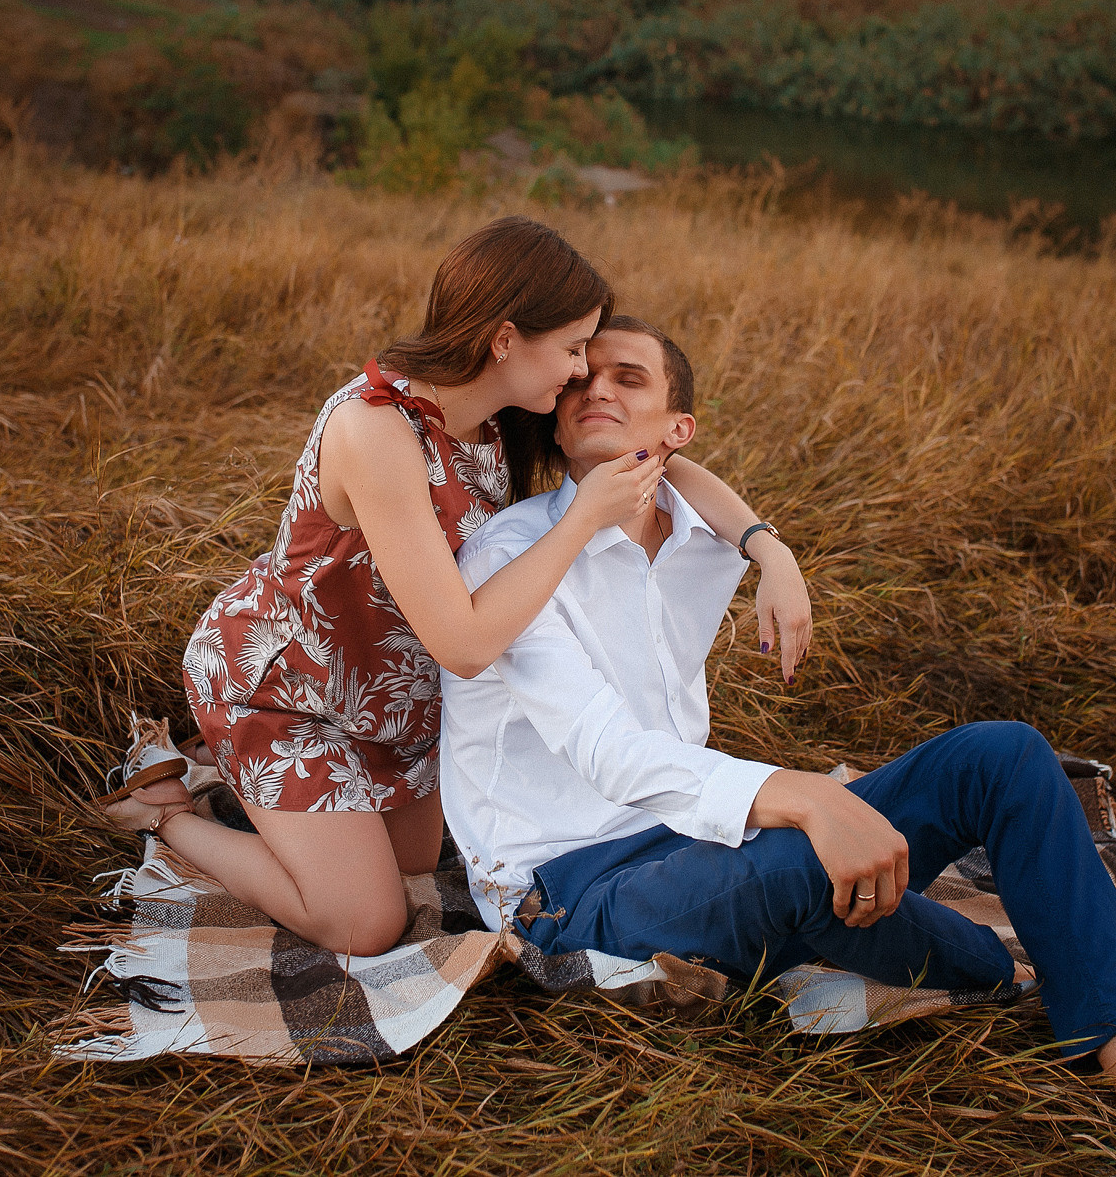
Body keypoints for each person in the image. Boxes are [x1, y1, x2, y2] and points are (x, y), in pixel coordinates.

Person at [438, 318, 1116, 1171]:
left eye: (630, 379)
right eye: (582, 380)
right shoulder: (508, 555)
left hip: (703, 840)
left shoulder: (694, 528)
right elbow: (605, 751)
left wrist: (773, 551)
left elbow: (694, 486)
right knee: (842, 886)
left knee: (1007, 754)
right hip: (569, 882)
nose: (596, 390)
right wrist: (807, 796)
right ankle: (1011, 966)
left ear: (676, 432)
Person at [99, 218, 812, 959]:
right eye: (571, 348)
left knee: (414, 863)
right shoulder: (375, 430)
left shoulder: (497, 414)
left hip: (395, 697)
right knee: (367, 922)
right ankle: (167, 814)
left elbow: (649, 457)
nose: (578, 372)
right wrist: (582, 521)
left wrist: (769, 550)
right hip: (287, 691)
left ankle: (268, 795)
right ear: (505, 340)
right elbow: (466, 646)